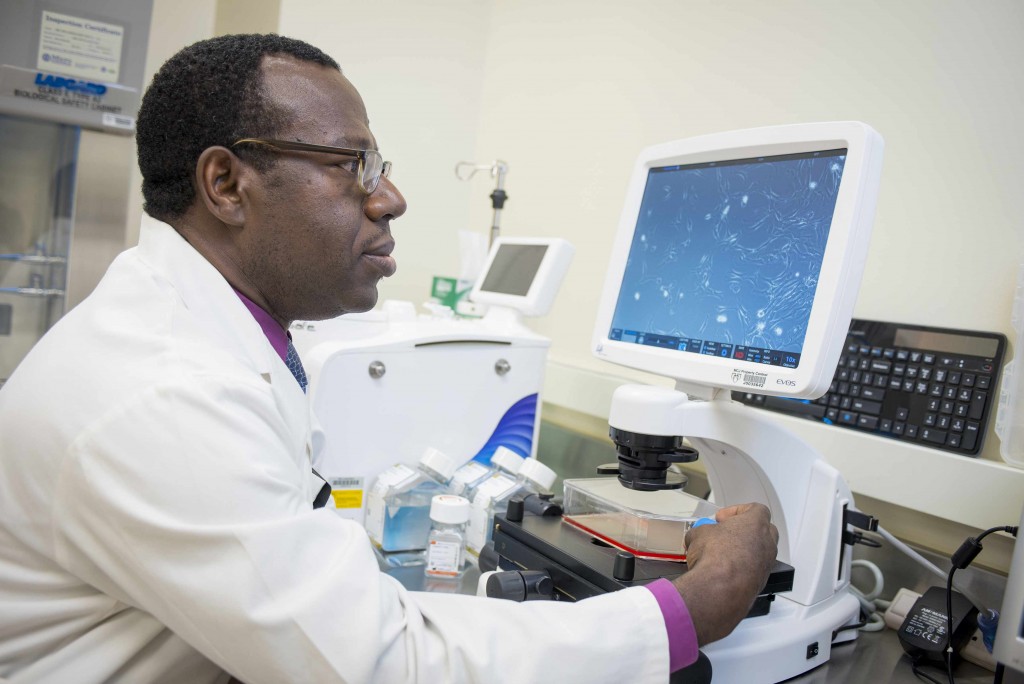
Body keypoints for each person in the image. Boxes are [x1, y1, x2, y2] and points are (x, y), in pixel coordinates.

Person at [0, 34, 778, 683]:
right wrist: (696, 605)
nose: (391, 198)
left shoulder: (208, 330)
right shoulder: (163, 390)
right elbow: (380, 664)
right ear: (226, 185)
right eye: (353, 166)